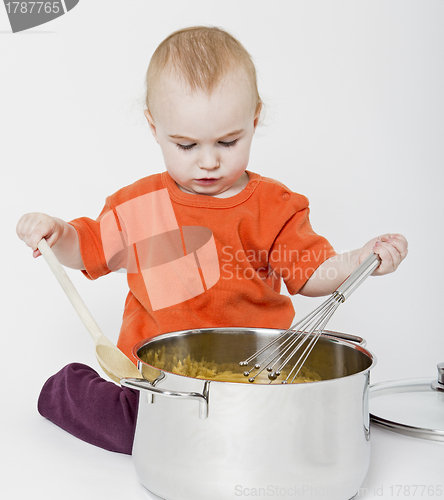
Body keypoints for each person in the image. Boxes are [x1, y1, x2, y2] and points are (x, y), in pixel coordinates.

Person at [16, 26, 408, 455]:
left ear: (254, 119)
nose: (208, 161)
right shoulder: (139, 204)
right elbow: (87, 247)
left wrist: (358, 260)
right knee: (140, 433)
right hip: (163, 383)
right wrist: (59, 233)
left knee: (287, 436)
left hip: (258, 377)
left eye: (228, 141)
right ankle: (68, 389)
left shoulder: (275, 206)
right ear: (154, 127)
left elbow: (311, 273)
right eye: (186, 145)